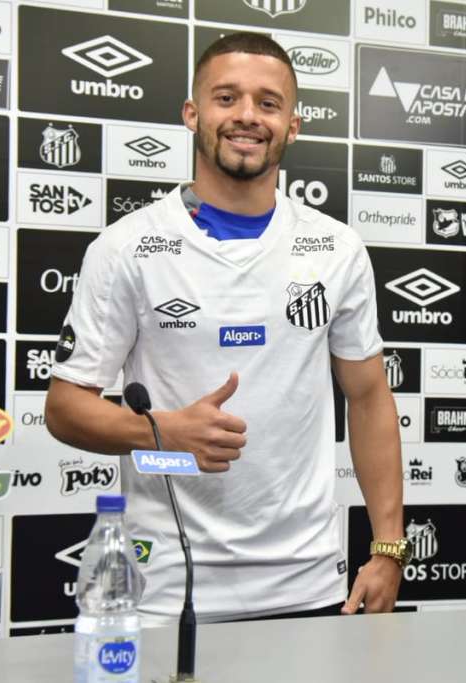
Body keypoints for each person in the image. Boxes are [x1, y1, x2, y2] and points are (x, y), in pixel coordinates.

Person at [46, 32, 405, 626]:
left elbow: (369, 398)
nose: (247, 116)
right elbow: (64, 407)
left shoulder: (336, 248)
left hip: (307, 582)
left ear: (292, 125)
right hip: (165, 586)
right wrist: (160, 430)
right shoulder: (127, 248)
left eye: (268, 103)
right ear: (193, 114)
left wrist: (388, 546)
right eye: (226, 98)